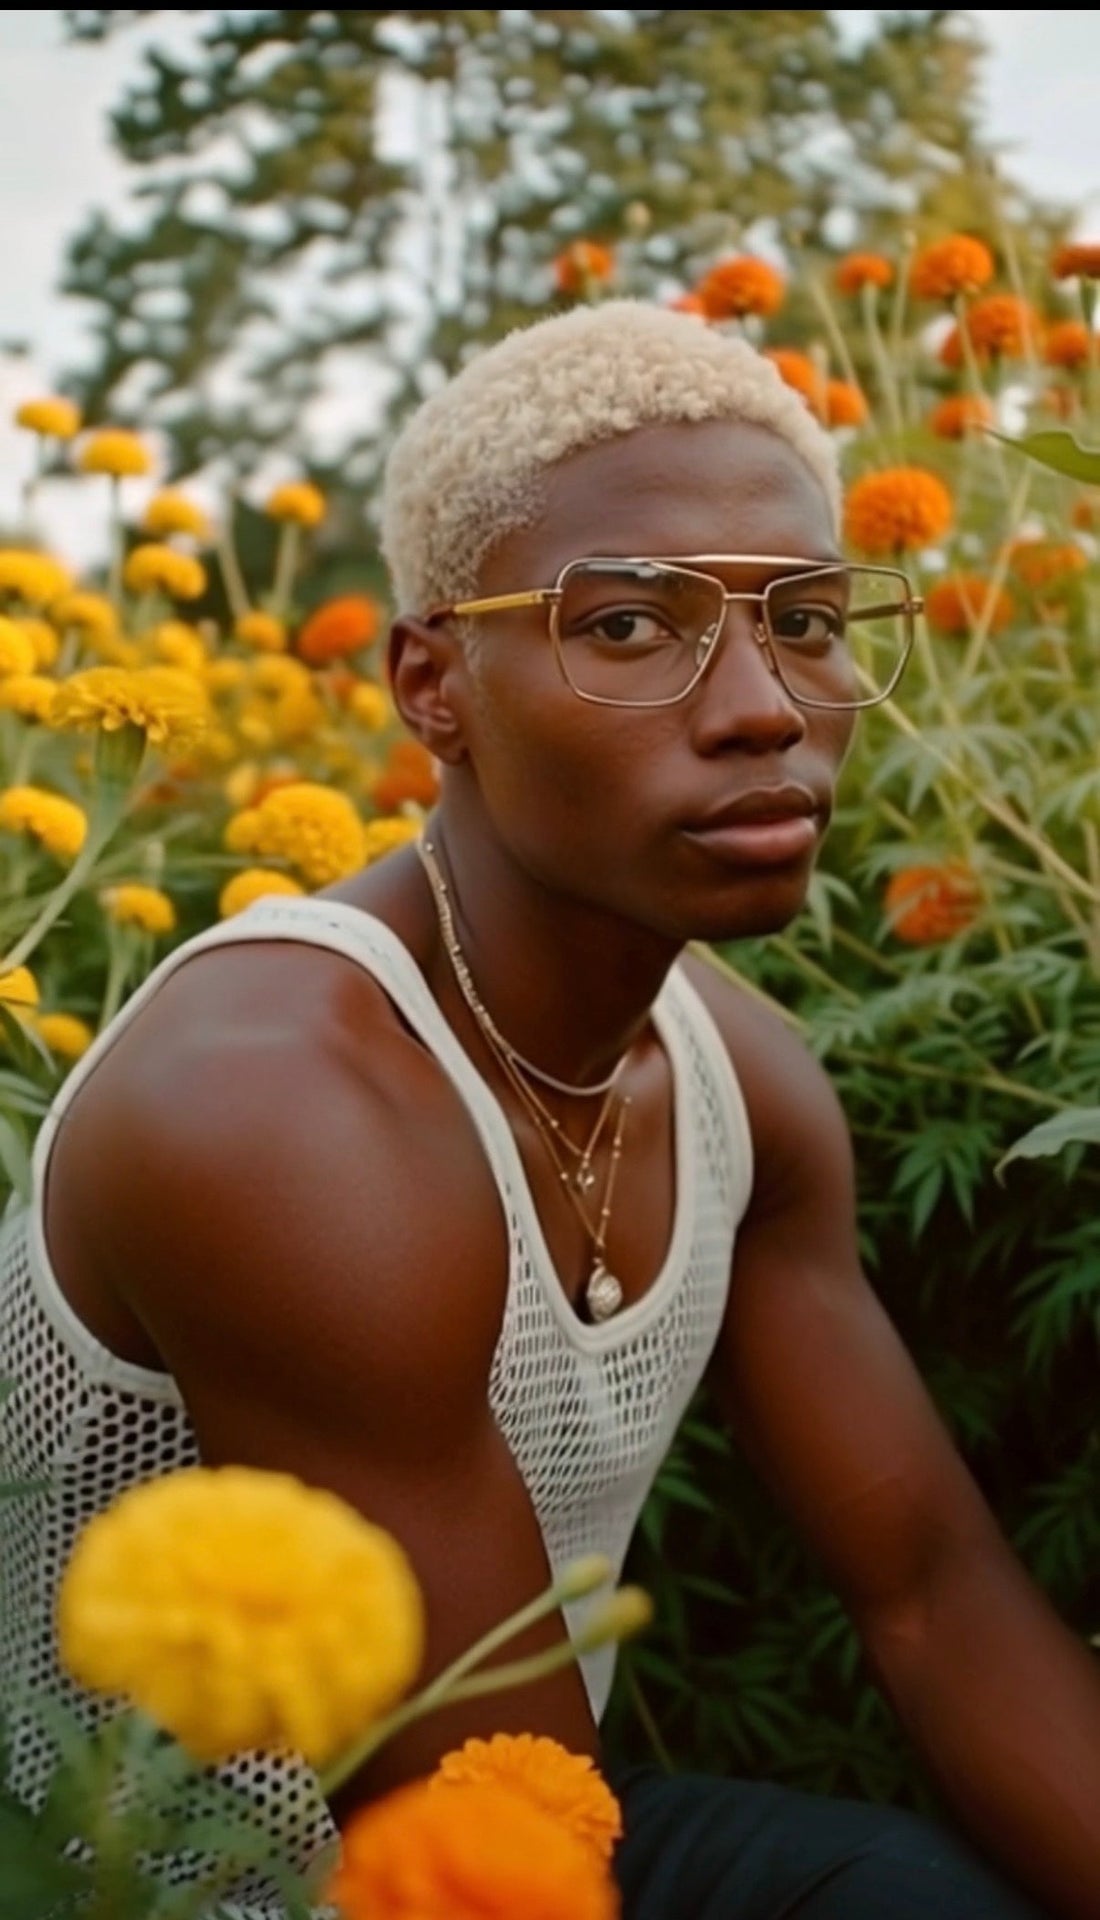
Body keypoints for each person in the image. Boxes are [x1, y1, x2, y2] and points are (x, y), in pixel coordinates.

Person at [2, 300, 1099, 1920]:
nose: (765, 708)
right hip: (158, 1885)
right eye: (633, 627)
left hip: (534, 1792)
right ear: (433, 686)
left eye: (807, 618)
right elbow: (480, 1853)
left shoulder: (740, 1081)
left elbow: (930, 1593)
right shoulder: (281, 1115)